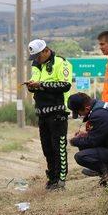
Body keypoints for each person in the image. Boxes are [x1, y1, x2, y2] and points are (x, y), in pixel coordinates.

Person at [26, 39, 73, 190]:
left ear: (46, 51)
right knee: (47, 148)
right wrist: (32, 86)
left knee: (58, 147)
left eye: (38, 56)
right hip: (42, 112)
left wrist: (42, 85)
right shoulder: (36, 65)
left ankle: (60, 179)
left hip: (58, 112)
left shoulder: (61, 63)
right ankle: (52, 177)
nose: (36, 60)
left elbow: (65, 85)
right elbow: (35, 85)